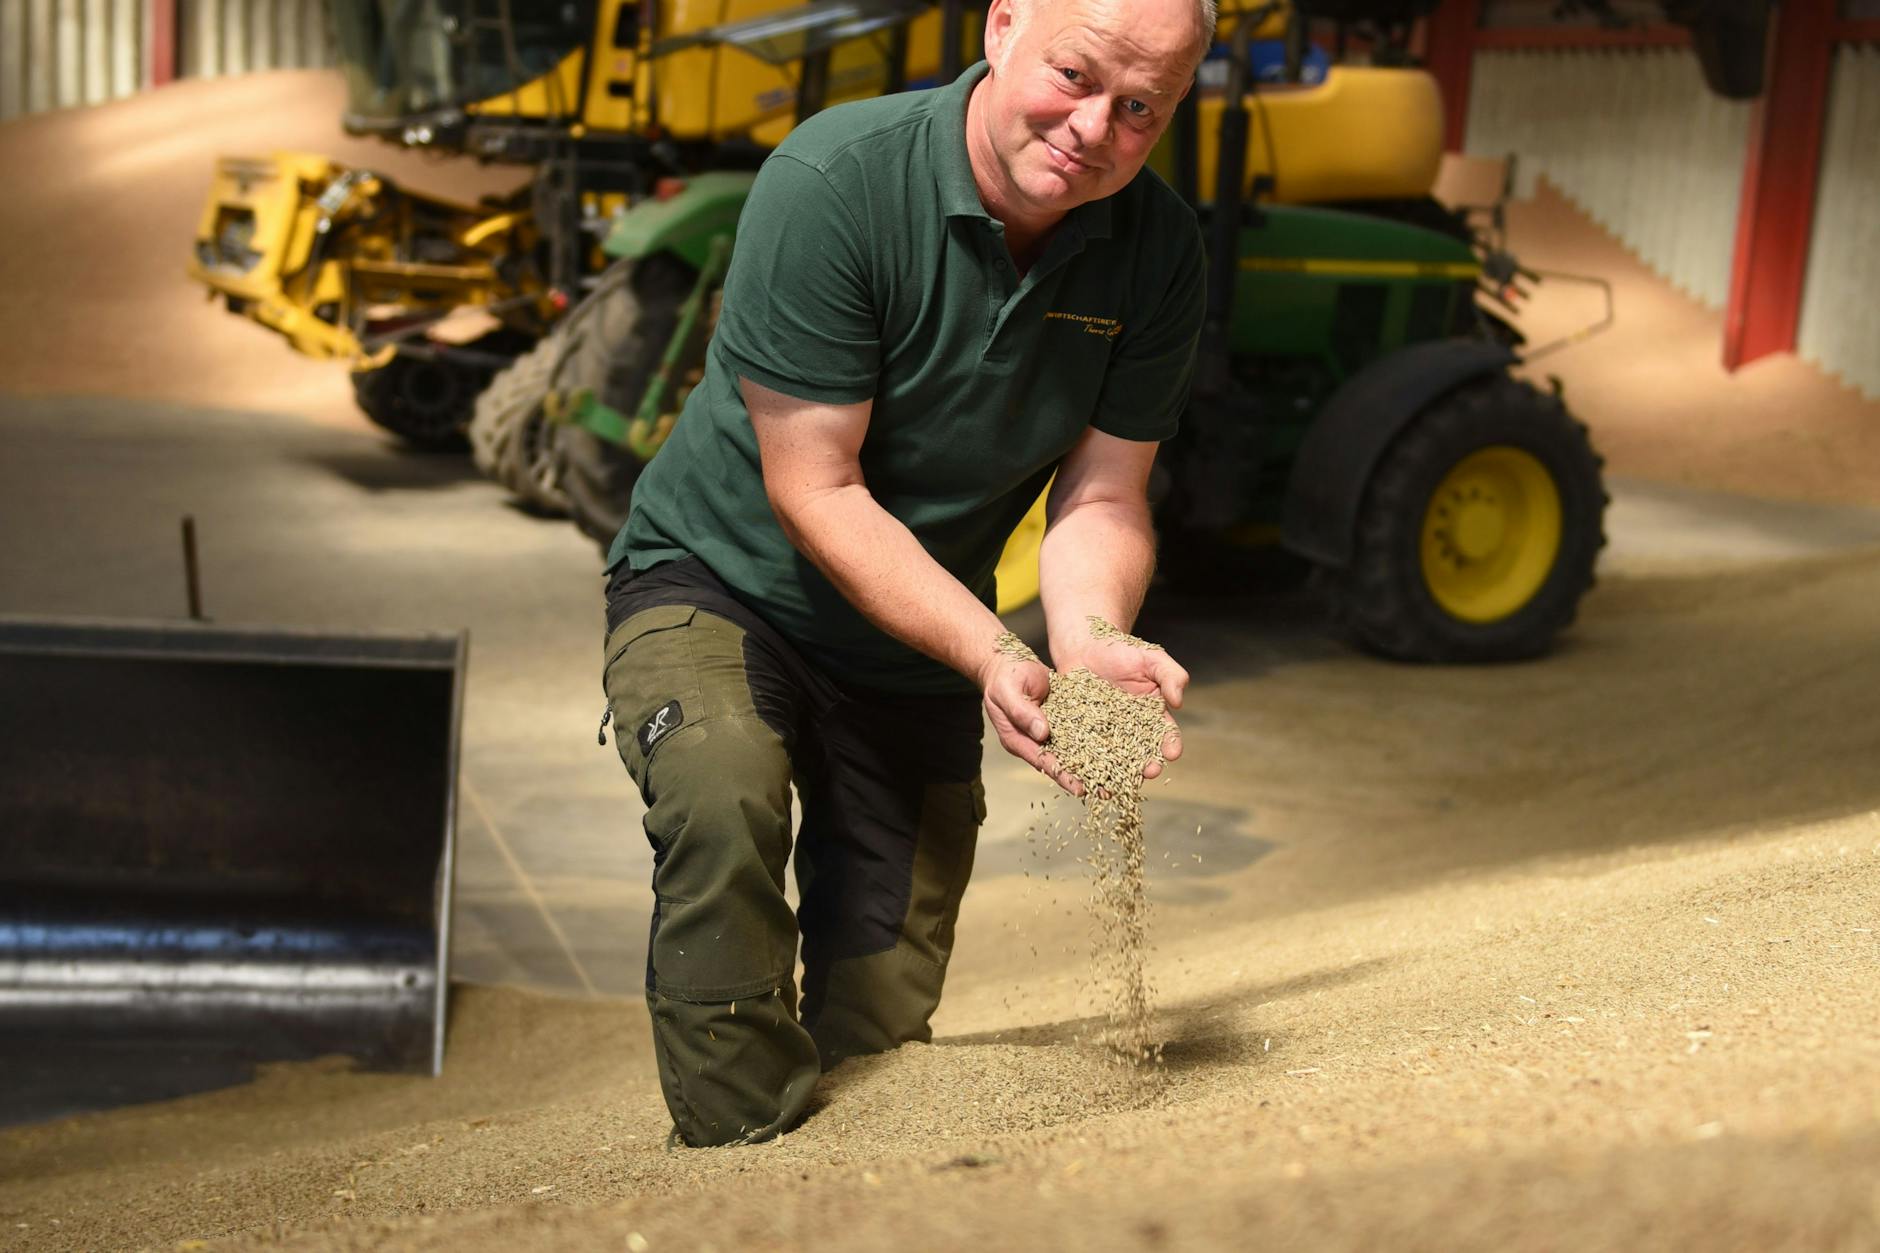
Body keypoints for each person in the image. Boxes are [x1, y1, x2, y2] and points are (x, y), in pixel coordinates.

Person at [599, 0, 1213, 1146]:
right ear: (1002, 27)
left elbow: (1102, 495)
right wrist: (991, 648)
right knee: (721, 788)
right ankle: (731, 1172)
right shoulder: (835, 181)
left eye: (1141, 108)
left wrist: (1086, 636)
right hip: (723, 581)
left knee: (880, 1010)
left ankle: (858, 1190)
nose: (1094, 128)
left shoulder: (1157, 250)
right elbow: (816, 488)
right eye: (1074, 76)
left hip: (915, 631)